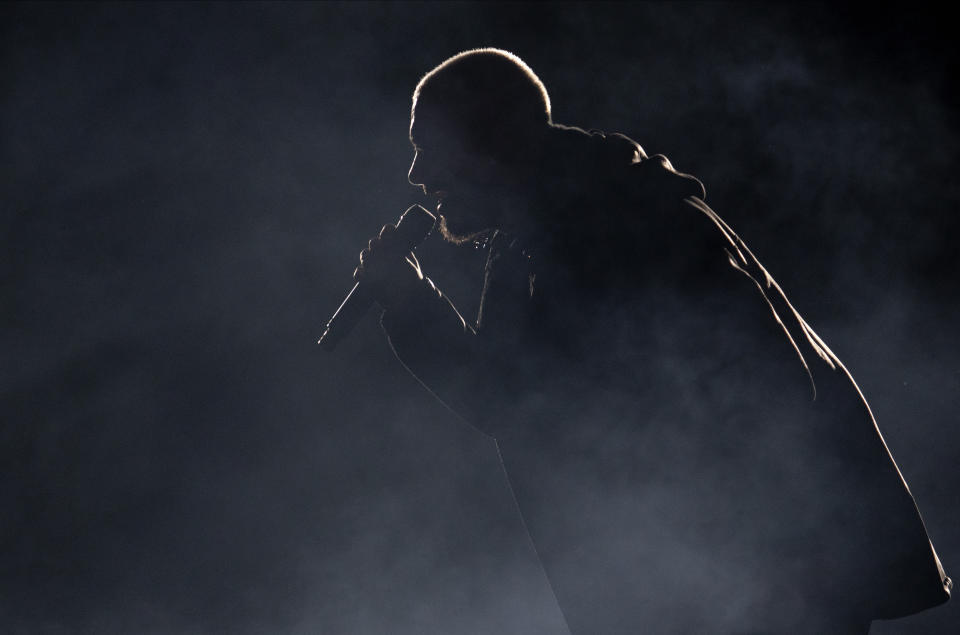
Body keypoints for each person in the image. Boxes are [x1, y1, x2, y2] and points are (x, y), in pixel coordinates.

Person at [353, 48, 950, 634]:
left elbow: (773, 397)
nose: (417, 176)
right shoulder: (536, 232)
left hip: (772, 587)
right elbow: (508, 396)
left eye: (428, 150)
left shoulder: (623, 222)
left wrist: (732, 575)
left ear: (487, 143)